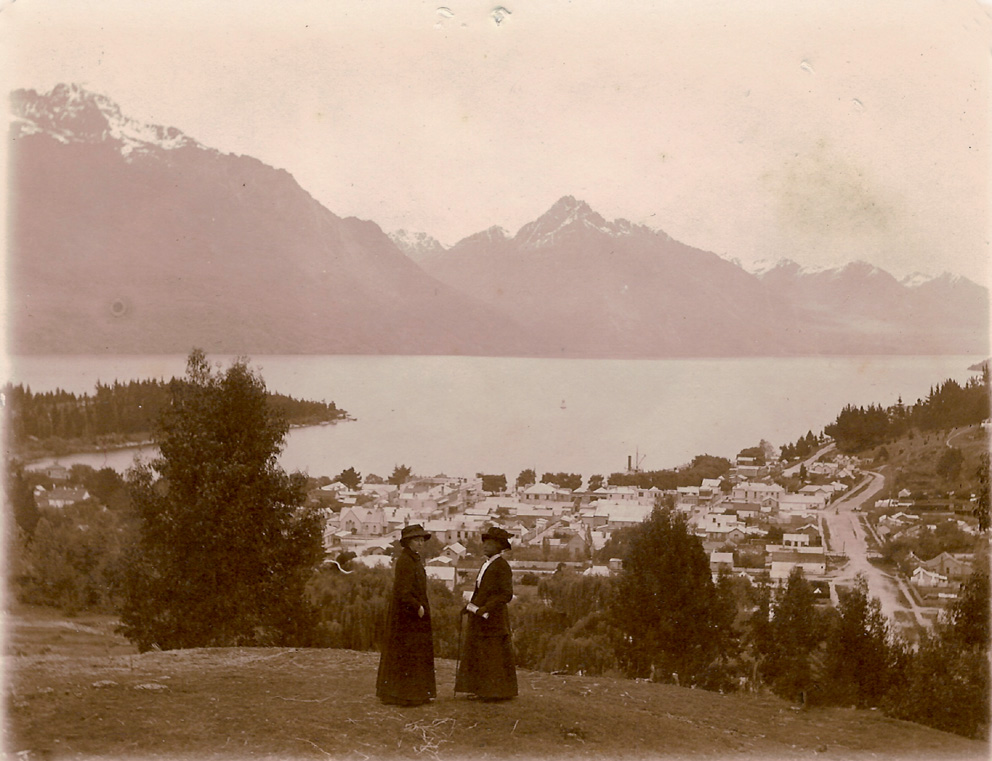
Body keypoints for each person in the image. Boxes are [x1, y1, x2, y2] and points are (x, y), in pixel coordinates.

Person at [455, 526, 518, 701]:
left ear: (499, 547)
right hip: (480, 616)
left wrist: (486, 608)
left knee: (492, 653)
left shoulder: (502, 566)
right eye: (484, 543)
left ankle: (494, 692)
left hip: (493, 617)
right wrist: (470, 606)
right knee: (480, 652)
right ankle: (480, 689)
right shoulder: (486, 565)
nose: (485, 546)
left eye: (489, 544)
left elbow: (506, 594)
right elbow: (480, 591)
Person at [376, 524, 436, 706]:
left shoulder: (414, 559)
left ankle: (417, 692)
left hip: (414, 611)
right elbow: (403, 591)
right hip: (407, 614)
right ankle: (405, 694)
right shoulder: (405, 561)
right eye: (416, 540)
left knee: (415, 652)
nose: (420, 543)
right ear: (408, 542)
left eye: (422, 540)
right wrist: (417, 606)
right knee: (407, 652)